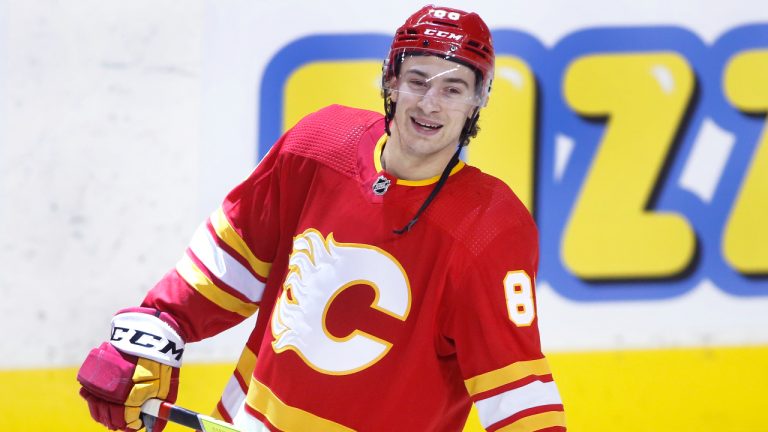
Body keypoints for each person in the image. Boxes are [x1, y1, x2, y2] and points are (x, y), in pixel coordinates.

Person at [77, 5, 567, 432]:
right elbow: (231, 261)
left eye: (453, 88)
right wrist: (160, 326)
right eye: (418, 80)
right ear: (391, 80)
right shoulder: (319, 147)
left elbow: (516, 390)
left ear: (479, 100)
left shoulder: (490, 228)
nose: (429, 103)